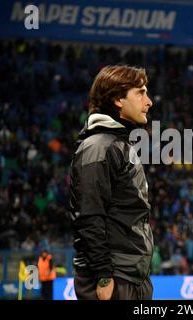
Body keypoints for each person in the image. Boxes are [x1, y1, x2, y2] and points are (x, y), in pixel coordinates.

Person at [69, 65, 154, 300]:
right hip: (113, 280)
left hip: (131, 277)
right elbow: (89, 215)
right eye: (141, 93)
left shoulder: (118, 144)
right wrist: (104, 275)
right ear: (118, 99)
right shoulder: (98, 147)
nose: (149, 102)